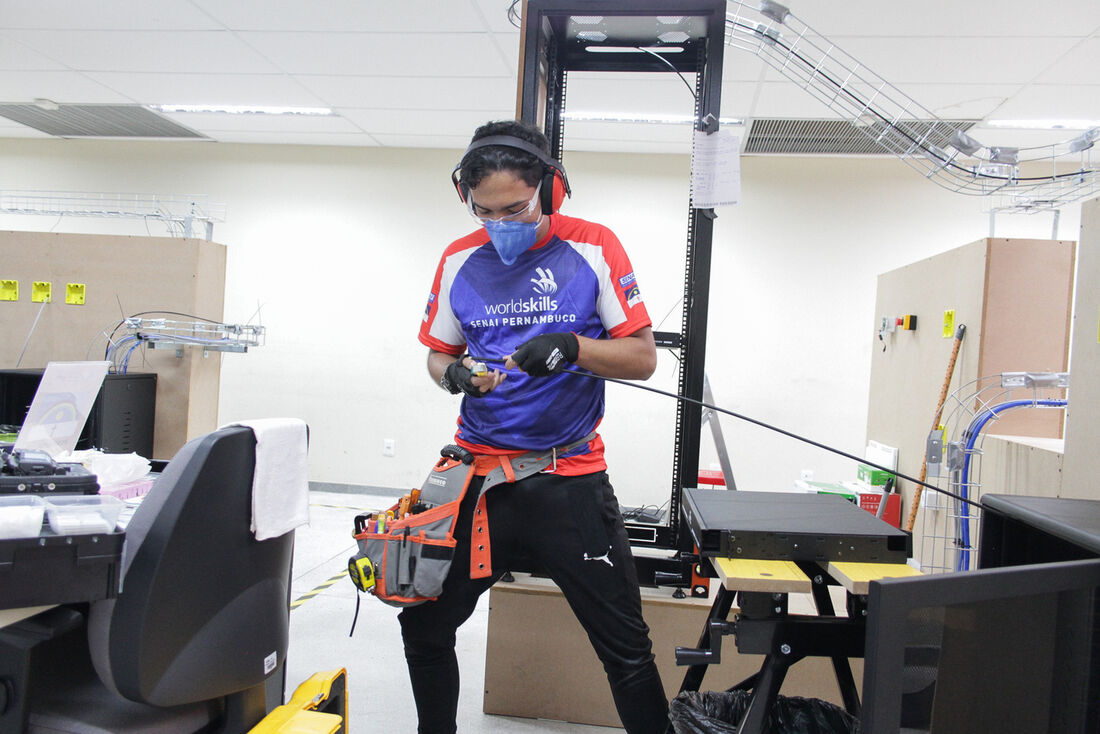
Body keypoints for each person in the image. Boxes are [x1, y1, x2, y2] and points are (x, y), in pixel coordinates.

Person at [408, 119, 668, 734]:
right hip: (478, 482)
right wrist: (458, 377)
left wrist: (573, 347)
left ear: (550, 190)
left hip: (567, 483)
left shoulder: (594, 247)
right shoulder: (458, 260)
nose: (501, 224)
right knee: (423, 625)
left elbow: (643, 358)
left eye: (517, 208)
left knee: (625, 650)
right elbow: (437, 353)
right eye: (486, 211)